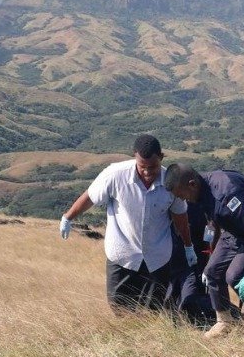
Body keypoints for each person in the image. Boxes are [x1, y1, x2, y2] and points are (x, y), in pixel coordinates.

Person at [59, 134, 197, 312]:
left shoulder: (171, 183)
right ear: (135, 157)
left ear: (161, 157)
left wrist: (188, 246)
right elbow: (90, 197)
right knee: (118, 305)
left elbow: (180, 216)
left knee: (154, 309)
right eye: (142, 166)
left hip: (157, 257)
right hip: (122, 254)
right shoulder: (115, 175)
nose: (147, 172)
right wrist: (68, 217)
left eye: (153, 167)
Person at [164, 164, 244, 339]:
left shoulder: (226, 193)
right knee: (212, 272)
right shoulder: (200, 190)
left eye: (182, 195)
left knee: (235, 276)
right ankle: (225, 321)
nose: (183, 200)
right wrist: (211, 251)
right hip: (235, 230)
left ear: (191, 184)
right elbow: (214, 223)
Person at [166, 201, 216, 326]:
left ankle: (202, 323)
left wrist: (209, 251)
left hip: (196, 259)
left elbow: (210, 227)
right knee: (169, 298)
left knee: (190, 296)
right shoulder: (168, 201)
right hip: (171, 258)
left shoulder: (199, 202)